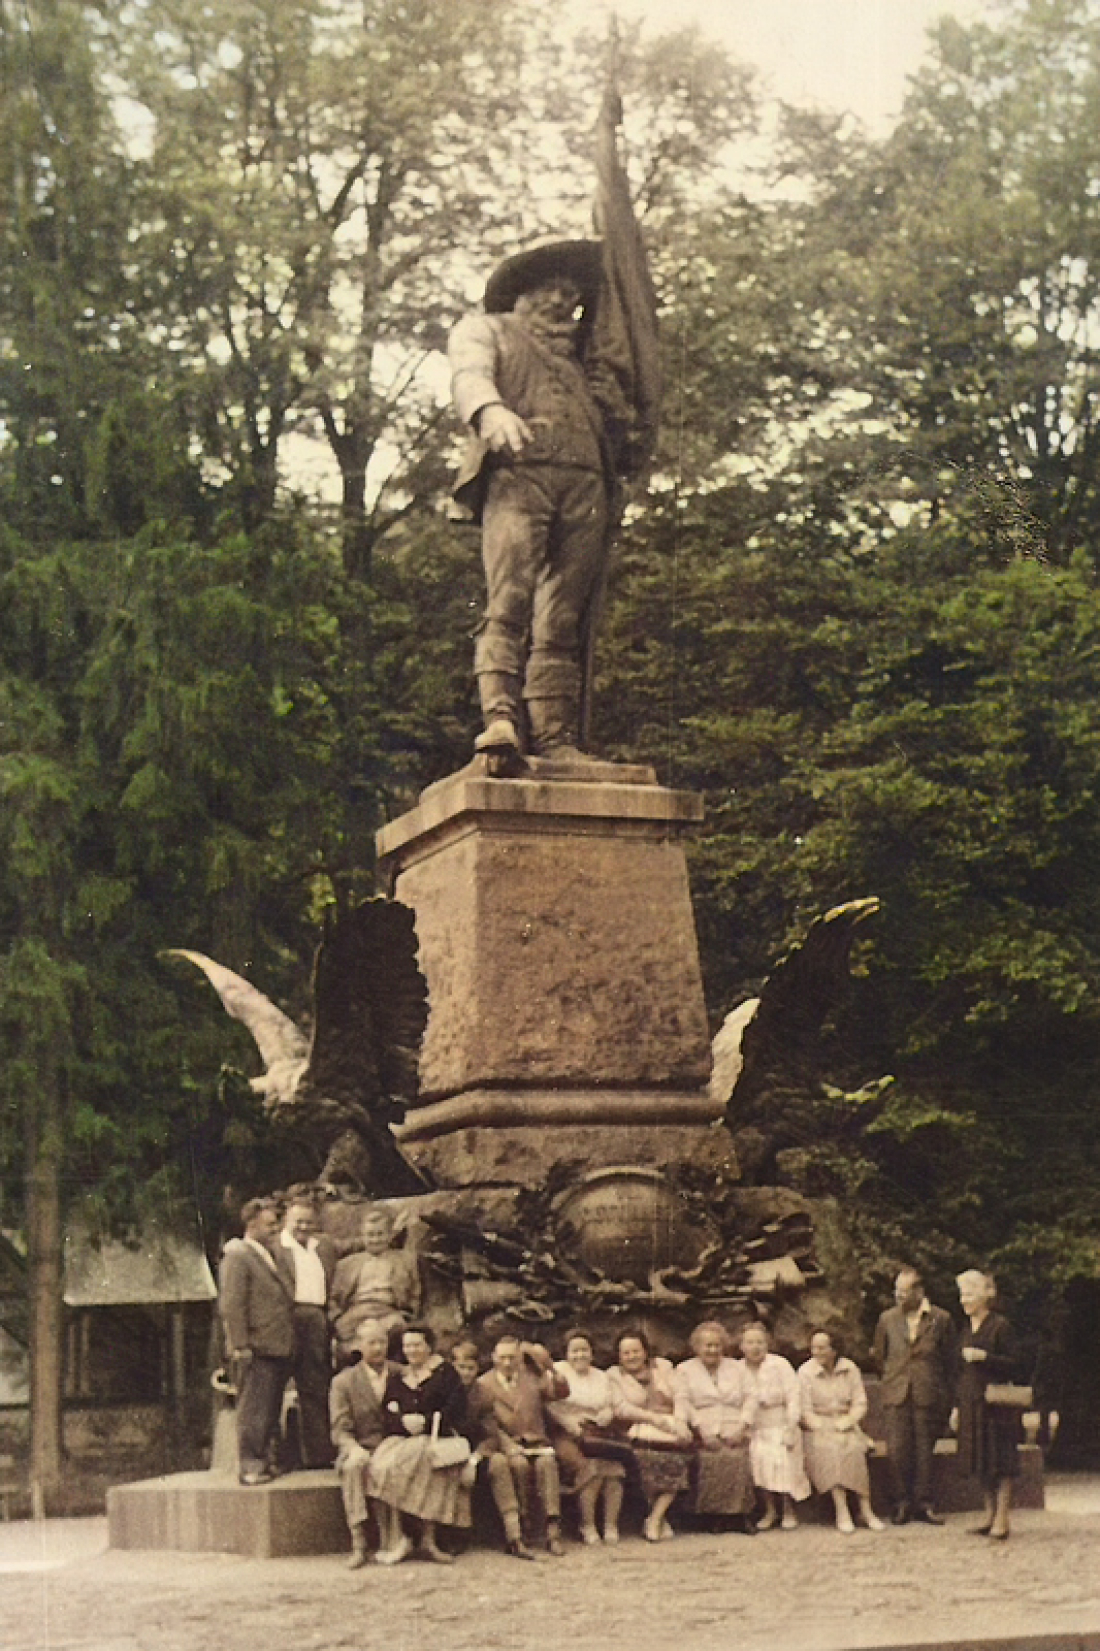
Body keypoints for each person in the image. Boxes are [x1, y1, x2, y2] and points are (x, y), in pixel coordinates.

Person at [448, 242, 627, 767]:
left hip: (586, 486)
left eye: (569, 293)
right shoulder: (489, 330)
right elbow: (469, 373)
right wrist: (490, 411)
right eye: (548, 288)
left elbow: (622, 413)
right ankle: (500, 718)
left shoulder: (585, 360)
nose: (559, 300)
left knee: (563, 618)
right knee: (509, 600)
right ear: (522, 292)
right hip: (519, 477)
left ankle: (554, 738)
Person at [368, 1322, 473, 1565]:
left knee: (418, 1464)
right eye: (407, 1346)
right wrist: (403, 1421)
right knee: (385, 1466)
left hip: (437, 1438)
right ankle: (402, 1538)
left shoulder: (445, 1374)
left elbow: (456, 1409)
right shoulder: (399, 1377)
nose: (411, 1350)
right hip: (404, 1439)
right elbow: (386, 1411)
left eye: (417, 1345)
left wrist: (425, 1422)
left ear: (429, 1347)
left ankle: (427, 1540)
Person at [218, 1198, 296, 1486]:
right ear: (251, 1225)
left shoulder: (268, 1253)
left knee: (270, 1408)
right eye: (270, 1224)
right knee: (253, 1409)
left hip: (276, 1343)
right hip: (255, 1346)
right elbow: (232, 1304)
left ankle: (265, 1461)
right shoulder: (238, 1256)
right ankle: (250, 1465)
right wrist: (240, 1345)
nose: (276, 1228)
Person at [469, 1335, 569, 1559]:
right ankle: (522, 1528)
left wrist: (552, 1370)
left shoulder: (531, 1377)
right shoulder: (484, 1384)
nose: (507, 1363)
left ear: (519, 1358)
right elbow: (488, 1423)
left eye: (512, 1357)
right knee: (519, 1465)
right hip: (507, 1442)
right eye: (502, 1357)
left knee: (547, 1464)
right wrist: (508, 1444)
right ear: (494, 1358)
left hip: (536, 1441)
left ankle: (552, 1532)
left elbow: (558, 1394)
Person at [872, 1265, 957, 1525]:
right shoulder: (887, 1319)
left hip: (928, 1391)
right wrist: (892, 1379)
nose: (899, 1296)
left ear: (920, 1291)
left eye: (905, 1291)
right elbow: (879, 1356)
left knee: (924, 1450)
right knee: (897, 1450)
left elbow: (950, 1360)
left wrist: (945, 1395)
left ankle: (924, 1503)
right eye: (896, 1290)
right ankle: (901, 1503)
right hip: (896, 1391)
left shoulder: (941, 1319)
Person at [607, 1328, 694, 1542]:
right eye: (626, 1353)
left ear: (645, 1351)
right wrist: (654, 1419)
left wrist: (681, 1422)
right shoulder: (613, 1375)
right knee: (644, 1459)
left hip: (671, 1427)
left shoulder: (663, 1367)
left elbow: (682, 1394)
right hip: (636, 1428)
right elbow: (620, 1408)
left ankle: (655, 1517)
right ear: (619, 1356)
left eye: (636, 1351)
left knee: (679, 1456)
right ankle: (658, 1519)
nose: (632, 1357)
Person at [954, 1270, 1023, 1542]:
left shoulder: (1000, 1326)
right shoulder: (965, 1329)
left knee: (1001, 1460)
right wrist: (956, 1406)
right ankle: (989, 1513)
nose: (964, 1300)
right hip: (971, 1400)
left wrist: (985, 1357)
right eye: (962, 1295)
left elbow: (1016, 1364)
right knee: (980, 1460)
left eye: (969, 1294)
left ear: (984, 1295)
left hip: (997, 1403)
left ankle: (1003, 1517)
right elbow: (959, 1370)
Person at [672, 1321, 757, 1534]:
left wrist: (743, 1426)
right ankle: (715, 1516)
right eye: (707, 1346)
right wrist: (701, 1430)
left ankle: (741, 1515)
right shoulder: (684, 1370)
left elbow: (752, 1397)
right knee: (711, 1458)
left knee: (739, 1457)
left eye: (717, 1345)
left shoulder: (737, 1368)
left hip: (735, 1425)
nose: (712, 1350)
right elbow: (683, 1401)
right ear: (697, 1347)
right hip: (703, 1427)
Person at [798, 1329, 884, 1534]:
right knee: (831, 1450)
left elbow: (860, 1402)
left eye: (822, 1347)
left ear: (834, 1350)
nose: (816, 1352)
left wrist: (848, 1421)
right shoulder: (805, 1372)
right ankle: (842, 1509)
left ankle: (865, 1508)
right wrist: (822, 1427)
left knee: (853, 1449)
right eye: (813, 1348)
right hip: (818, 1427)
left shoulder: (850, 1368)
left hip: (846, 1423)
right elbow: (804, 1410)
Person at [329, 1318, 398, 1568]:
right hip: (362, 1448)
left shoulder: (401, 1374)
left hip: (394, 1447)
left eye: (382, 1342)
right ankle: (359, 1542)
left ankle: (400, 1540)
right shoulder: (343, 1382)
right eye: (371, 1343)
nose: (378, 1348)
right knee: (352, 1468)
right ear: (359, 1346)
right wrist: (353, 1448)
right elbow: (340, 1428)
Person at [549, 1330, 628, 1544]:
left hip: (597, 1434)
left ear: (592, 1353)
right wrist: (567, 1422)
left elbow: (609, 1404)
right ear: (566, 1353)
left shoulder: (601, 1377)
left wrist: (606, 1415)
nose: (580, 1355)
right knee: (590, 1468)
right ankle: (587, 1525)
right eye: (574, 1351)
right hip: (565, 1432)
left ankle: (610, 1525)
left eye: (584, 1350)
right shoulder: (557, 1371)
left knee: (613, 1470)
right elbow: (548, 1405)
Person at [279, 1197, 336, 1468]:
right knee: (278, 1389)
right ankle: (280, 1457)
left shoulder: (323, 1247)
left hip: (316, 1319)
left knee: (315, 1387)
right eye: (297, 1221)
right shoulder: (276, 1248)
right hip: (287, 1318)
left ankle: (319, 1456)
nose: (303, 1226)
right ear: (286, 1222)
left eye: (308, 1221)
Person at [739, 1324, 810, 1530]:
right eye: (750, 1343)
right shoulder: (737, 1369)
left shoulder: (780, 1365)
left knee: (781, 1455)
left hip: (781, 1422)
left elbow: (793, 1397)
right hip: (755, 1427)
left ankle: (788, 1508)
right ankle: (770, 1510)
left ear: (767, 1344)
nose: (755, 1347)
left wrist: (790, 1426)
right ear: (742, 1346)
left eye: (760, 1342)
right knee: (757, 1456)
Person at [328, 1205, 421, 1358]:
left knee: (395, 1330)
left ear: (390, 1235)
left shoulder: (404, 1261)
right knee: (346, 1339)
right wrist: (337, 1318)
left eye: (380, 1234)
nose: (375, 1239)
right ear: (362, 1236)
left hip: (389, 1311)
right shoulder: (347, 1264)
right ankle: (357, 1361)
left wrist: (407, 1315)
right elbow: (334, 1298)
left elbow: (415, 1293)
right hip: (356, 1312)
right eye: (370, 1235)